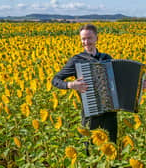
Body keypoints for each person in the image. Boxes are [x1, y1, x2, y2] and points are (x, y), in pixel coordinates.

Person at [52, 24, 146, 155]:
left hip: (110, 113)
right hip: (91, 112)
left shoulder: (107, 58)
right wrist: (71, 85)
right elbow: (55, 80)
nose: (86, 42)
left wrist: (139, 85)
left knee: (111, 148)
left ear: (97, 38)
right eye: (83, 39)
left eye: (89, 38)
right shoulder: (77, 60)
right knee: (88, 150)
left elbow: (119, 82)